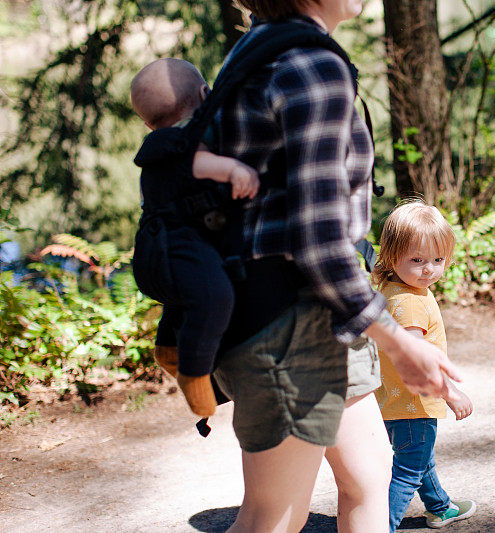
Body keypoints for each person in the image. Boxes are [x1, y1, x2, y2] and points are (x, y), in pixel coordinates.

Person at [205, 2, 461, 532]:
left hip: (293, 317)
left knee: (368, 481)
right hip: (292, 326)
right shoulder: (311, 65)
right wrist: (398, 341)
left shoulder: (258, 47)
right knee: (272, 517)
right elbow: (319, 241)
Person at [130, 58, 260, 417]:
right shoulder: (186, 140)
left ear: (146, 121)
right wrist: (234, 168)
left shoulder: (154, 150)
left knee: (186, 296)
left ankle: (168, 346)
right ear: (205, 94)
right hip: (180, 249)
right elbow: (197, 166)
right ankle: (194, 372)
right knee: (214, 297)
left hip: (152, 255)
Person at [372, 202, 476, 531]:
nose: (428, 269)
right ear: (392, 257)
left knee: (420, 458)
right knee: (407, 474)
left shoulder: (393, 290)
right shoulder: (410, 303)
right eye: (417, 260)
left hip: (395, 403)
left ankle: (440, 507)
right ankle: (378, 525)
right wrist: (451, 393)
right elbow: (416, 358)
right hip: (414, 404)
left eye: (437, 259)